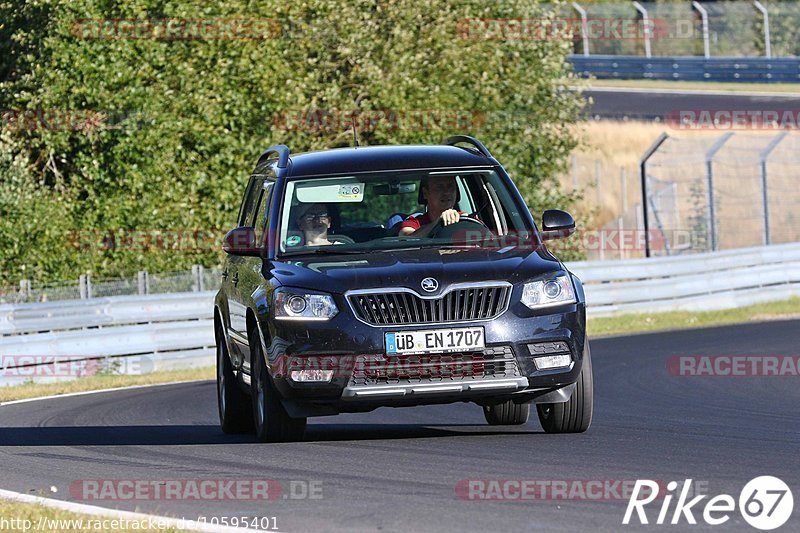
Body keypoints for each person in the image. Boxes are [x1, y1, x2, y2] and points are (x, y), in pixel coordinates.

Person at [399, 175, 465, 237]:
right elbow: (407, 239)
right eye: (439, 187)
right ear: (425, 193)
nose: (446, 192)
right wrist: (438, 222)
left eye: (450, 186)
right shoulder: (414, 223)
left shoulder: (466, 219)